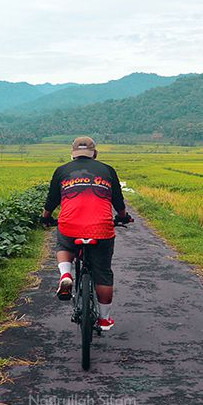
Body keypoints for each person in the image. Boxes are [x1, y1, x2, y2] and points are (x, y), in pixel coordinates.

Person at [40, 136, 132, 330]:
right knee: (103, 273)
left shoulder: (62, 170)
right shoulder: (107, 170)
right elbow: (118, 201)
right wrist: (123, 217)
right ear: (95, 154)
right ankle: (105, 319)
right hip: (101, 227)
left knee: (64, 244)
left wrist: (46, 217)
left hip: (70, 225)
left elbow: (52, 200)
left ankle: (66, 275)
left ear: (73, 154)